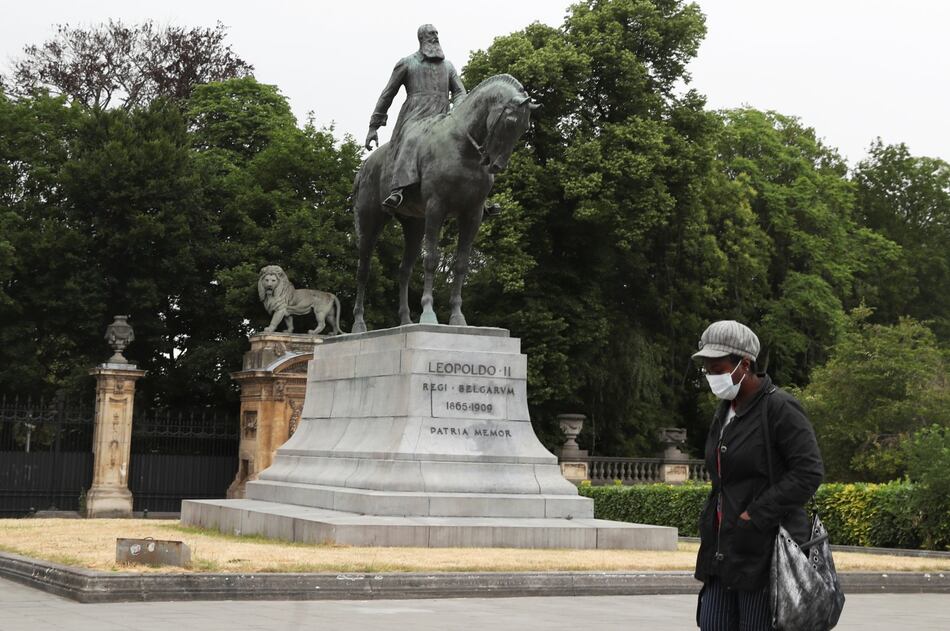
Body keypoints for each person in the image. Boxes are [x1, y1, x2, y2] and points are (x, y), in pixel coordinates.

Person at [691, 320, 824, 631]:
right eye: (707, 368)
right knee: (712, 624)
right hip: (723, 553)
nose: (712, 375)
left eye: (718, 367)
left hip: (766, 553)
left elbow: (809, 472)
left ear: (744, 364)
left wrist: (755, 514)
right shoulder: (724, 411)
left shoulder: (780, 408)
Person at [364, 24, 466, 211]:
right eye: (431, 34)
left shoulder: (448, 66)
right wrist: (374, 126)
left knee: (467, 144)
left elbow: (460, 92)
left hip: (442, 118)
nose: (435, 37)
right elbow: (388, 94)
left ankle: (477, 198)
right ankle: (398, 189)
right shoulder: (407, 63)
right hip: (415, 117)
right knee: (412, 139)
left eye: (437, 33)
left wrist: (457, 110)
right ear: (422, 38)